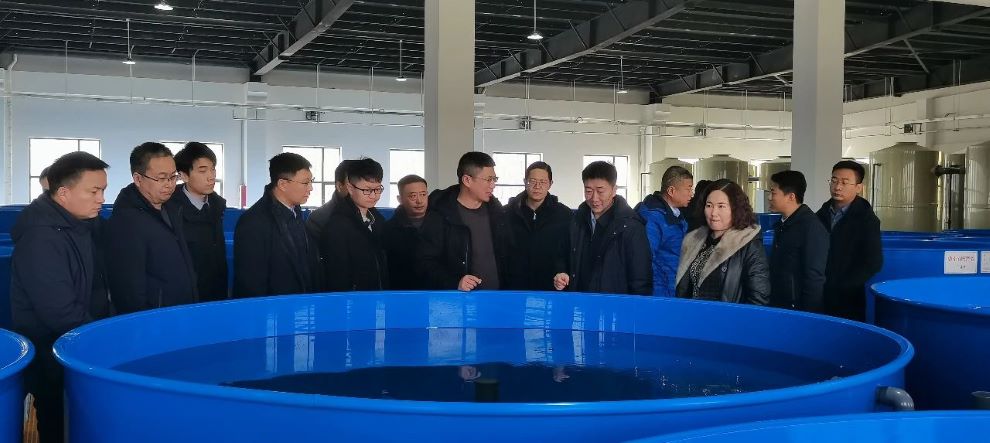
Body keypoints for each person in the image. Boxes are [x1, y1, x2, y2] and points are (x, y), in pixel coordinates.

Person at [10, 152, 109, 443]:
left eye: (103, 190)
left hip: (69, 347)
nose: (102, 199)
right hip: (52, 354)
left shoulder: (77, 225)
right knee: (58, 424)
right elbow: (59, 310)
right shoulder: (41, 238)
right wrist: (98, 341)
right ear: (64, 193)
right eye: (94, 191)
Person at [106, 142, 197, 313]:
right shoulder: (126, 223)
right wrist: (144, 325)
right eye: (161, 178)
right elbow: (128, 290)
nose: (169, 184)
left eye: (173, 177)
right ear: (138, 179)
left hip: (180, 312)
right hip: (153, 320)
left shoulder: (171, 208)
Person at [553, 161, 652, 295]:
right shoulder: (576, 221)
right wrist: (562, 272)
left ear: (614, 190)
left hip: (613, 305)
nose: (594, 198)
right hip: (579, 302)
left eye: (600, 191)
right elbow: (563, 255)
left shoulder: (631, 227)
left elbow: (640, 280)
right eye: (588, 191)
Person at [418, 152, 510, 291]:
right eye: (488, 179)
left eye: (494, 179)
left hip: (497, 298)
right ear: (467, 180)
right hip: (459, 299)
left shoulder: (497, 211)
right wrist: (455, 283)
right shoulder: (440, 214)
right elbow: (425, 263)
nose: (493, 185)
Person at [234, 152, 320, 298]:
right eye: (306, 183)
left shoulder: (296, 213)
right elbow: (251, 284)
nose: (311, 188)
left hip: (301, 304)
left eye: (311, 181)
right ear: (283, 184)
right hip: (275, 309)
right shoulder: (253, 223)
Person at [675, 179, 769, 304]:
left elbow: (759, 298)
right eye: (709, 205)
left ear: (735, 209)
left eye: (721, 206)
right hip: (692, 313)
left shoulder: (749, 243)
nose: (714, 213)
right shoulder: (694, 239)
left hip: (727, 316)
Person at [816, 160, 883, 321]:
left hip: (848, 301)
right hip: (818, 295)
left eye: (845, 182)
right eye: (834, 181)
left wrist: (844, 286)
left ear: (858, 187)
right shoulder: (820, 215)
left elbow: (873, 262)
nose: (837, 187)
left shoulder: (867, 220)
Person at [165, 142, 228, 301]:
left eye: (213, 169)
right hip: (185, 300)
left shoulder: (217, 206)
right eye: (202, 171)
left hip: (216, 296)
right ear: (184, 176)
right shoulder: (170, 210)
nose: (211, 176)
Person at [503, 161, 573, 291]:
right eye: (532, 181)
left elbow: (568, 252)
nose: (537, 186)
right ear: (525, 182)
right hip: (514, 288)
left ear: (550, 184)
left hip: (551, 288)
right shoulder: (507, 213)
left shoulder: (565, 215)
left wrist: (562, 271)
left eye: (543, 182)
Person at [322, 157, 389, 291]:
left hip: (378, 296)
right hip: (354, 299)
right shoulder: (337, 225)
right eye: (367, 190)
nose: (373, 196)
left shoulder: (378, 220)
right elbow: (337, 275)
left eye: (377, 189)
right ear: (350, 188)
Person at [767, 170, 829, 313]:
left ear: (791, 196)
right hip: (780, 305)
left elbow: (814, 278)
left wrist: (808, 316)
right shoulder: (783, 224)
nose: (769, 197)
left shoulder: (811, 227)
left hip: (798, 310)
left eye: (773, 193)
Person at [636, 166, 693, 297]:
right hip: (662, 293)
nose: (691, 194)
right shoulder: (654, 218)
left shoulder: (675, 214)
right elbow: (647, 261)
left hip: (672, 289)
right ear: (671, 191)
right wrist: (663, 296)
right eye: (688, 189)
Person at [382, 174, 429, 289]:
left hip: (437, 292)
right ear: (400, 199)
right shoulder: (388, 229)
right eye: (413, 196)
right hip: (400, 292)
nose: (419, 201)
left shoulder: (442, 224)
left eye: (423, 194)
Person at [306, 159, 356, 245]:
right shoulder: (318, 219)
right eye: (353, 185)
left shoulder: (372, 215)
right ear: (339, 186)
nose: (360, 189)